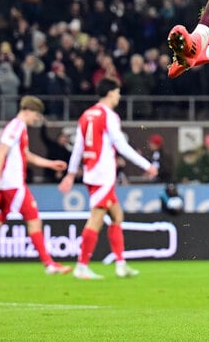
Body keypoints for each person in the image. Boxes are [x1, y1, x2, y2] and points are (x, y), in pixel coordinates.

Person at [57, 79, 159, 280]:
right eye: (118, 92)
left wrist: (70, 174)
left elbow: (78, 147)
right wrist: (146, 165)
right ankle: (81, 266)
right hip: (102, 174)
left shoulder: (86, 115)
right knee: (96, 219)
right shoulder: (109, 116)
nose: (119, 97)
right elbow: (121, 146)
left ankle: (121, 264)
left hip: (91, 173)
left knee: (116, 216)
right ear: (111, 93)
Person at [0, 96, 72, 277]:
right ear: (28, 110)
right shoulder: (16, 127)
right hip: (13, 186)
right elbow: (0, 153)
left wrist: (50, 164)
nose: (37, 118)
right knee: (34, 220)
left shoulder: (20, 128)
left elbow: (25, 155)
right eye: (36, 114)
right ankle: (49, 264)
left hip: (7, 187)